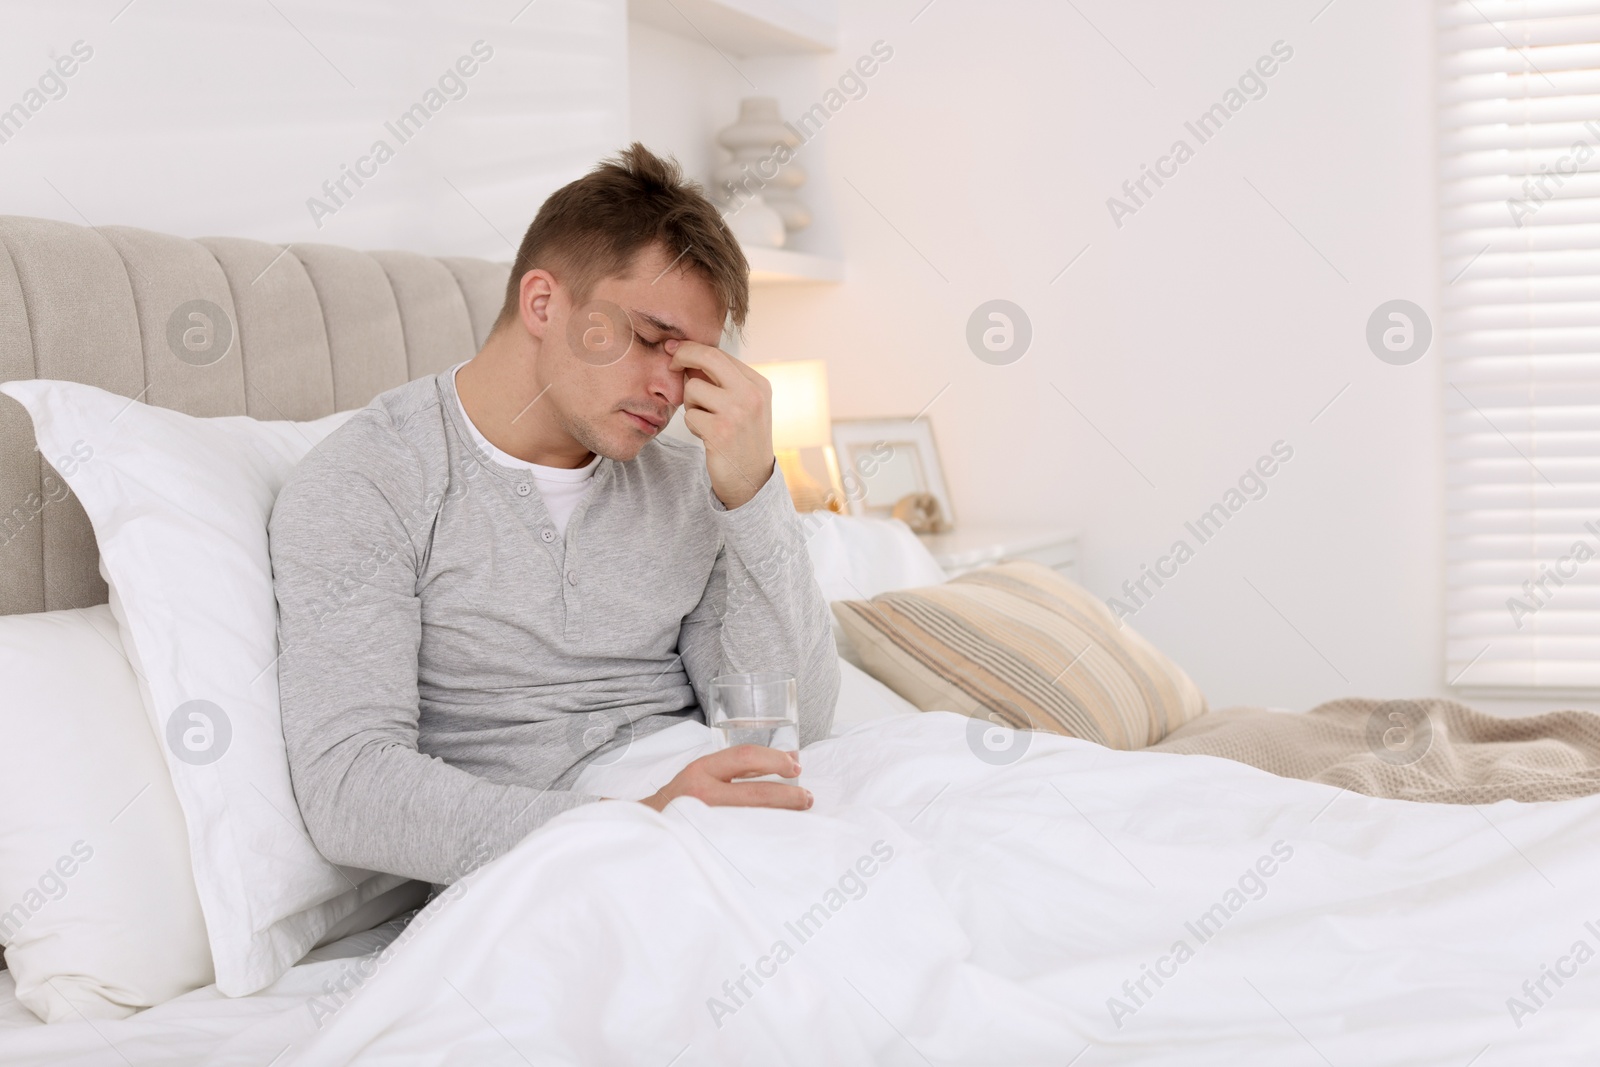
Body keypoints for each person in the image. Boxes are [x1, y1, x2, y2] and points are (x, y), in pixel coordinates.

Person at [267, 143, 840, 887]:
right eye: (650, 338)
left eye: (692, 358)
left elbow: (789, 728)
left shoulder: (693, 483)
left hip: (736, 830)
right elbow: (350, 790)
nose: (670, 386)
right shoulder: (371, 480)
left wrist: (754, 494)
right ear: (544, 304)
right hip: (564, 874)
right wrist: (637, 824)